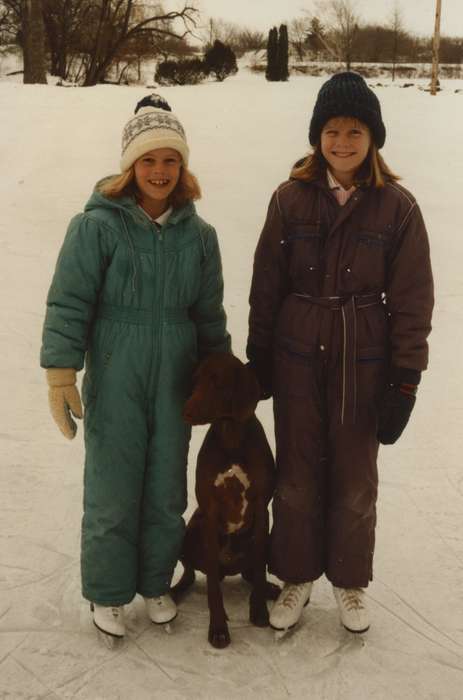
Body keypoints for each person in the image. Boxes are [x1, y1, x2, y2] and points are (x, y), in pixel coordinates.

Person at [247, 72, 434, 634]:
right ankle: (296, 575)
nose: (343, 142)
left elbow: (413, 298)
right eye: (332, 130)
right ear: (317, 136)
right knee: (298, 473)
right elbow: (266, 284)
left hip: (364, 356)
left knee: (355, 475)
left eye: (355, 130)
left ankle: (350, 582)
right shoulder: (289, 198)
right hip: (297, 352)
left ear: (373, 137)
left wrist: (406, 378)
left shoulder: (398, 208)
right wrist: (260, 355)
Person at [40, 94, 231, 640]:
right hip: (116, 366)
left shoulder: (201, 236)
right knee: (113, 483)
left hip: (177, 373)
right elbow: (70, 300)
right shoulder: (96, 227)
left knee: (167, 486)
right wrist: (60, 371)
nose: (160, 171)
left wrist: (218, 378)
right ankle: (107, 591)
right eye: (148, 160)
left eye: (171, 160)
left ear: (183, 167)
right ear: (130, 165)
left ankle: (154, 582)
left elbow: (209, 314)